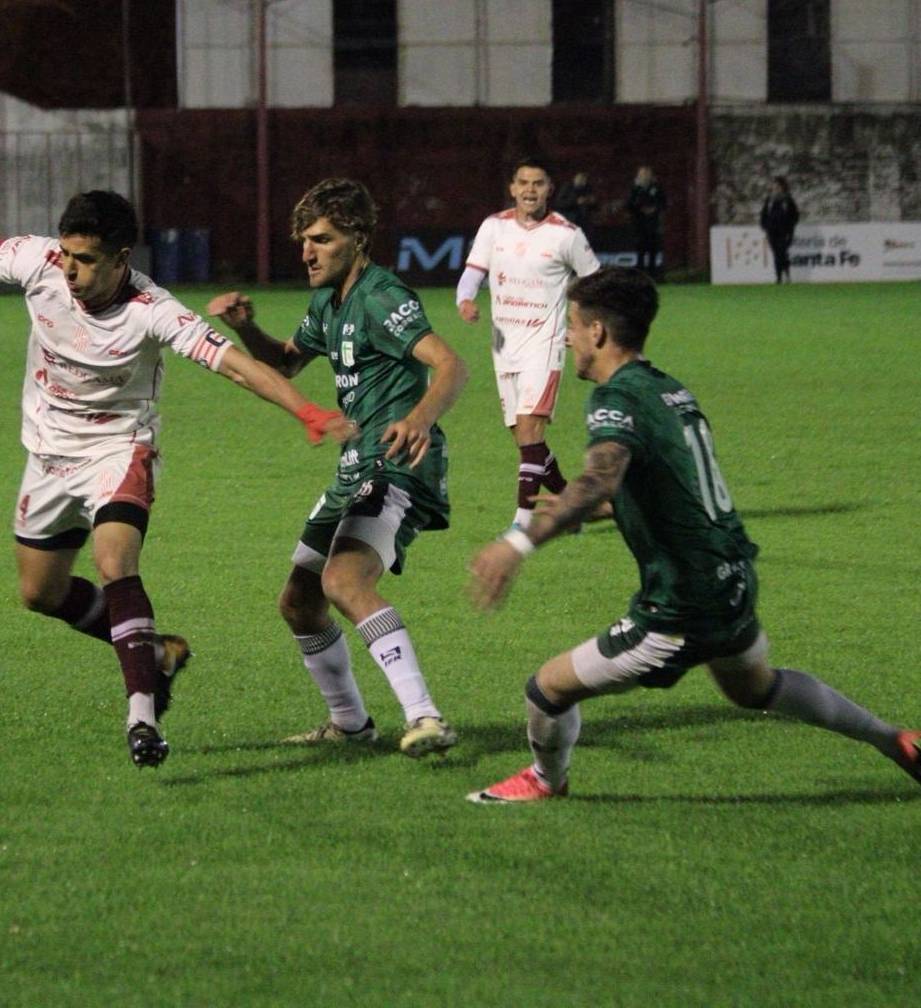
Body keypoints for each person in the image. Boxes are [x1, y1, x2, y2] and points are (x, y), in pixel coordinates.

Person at [0, 190, 353, 769]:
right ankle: (157, 654)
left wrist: (306, 410)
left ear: (122, 259)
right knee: (40, 594)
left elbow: (239, 367)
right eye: (67, 254)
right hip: (46, 457)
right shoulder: (38, 263)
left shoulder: (152, 309)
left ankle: (142, 718)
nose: (69, 269)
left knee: (115, 561)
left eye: (86, 259)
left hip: (117, 452)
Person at [466, 267, 920, 803]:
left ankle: (546, 781)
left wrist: (517, 543)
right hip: (732, 576)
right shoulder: (669, 389)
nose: (566, 337)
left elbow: (596, 477)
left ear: (598, 333)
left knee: (546, 689)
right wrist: (615, 508)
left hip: (681, 605)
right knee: (756, 688)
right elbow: (669, 481)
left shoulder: (616, 398)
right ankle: (897, 741)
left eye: (572, 324)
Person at [207, 178, 469, 757]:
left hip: (400, 463)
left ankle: (425, 715)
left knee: (345, 581)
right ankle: (351, 723)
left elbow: (451, 365)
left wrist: (421, 417)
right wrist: (247, 328)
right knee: (299, 602)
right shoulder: (328, 300)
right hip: (356, 465)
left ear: (358, 238)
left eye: (322, 239)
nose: (307, 252)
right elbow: (289, 364)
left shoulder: (380, 296)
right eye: (304, 240)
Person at [457, 156, 600, 533]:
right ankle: (573, 509)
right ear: (513, 188)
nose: (530, 190)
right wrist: (465, 299)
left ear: (550, 189)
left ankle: (522, 522)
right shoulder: (494, 227)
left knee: (530, 430)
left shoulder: (566, 235)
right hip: (504, 345)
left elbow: (596, 284)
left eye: (538, 184)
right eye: (523, 183)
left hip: (544, 343)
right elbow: (473, 272)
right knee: (525, 439)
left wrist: (581, 328)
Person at [625, 165, 666, 281]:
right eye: (643, 174)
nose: (645, 176)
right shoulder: (634, 188)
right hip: (638, 225)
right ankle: (640, 277)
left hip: (653, 225)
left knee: (653, 250)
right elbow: (628, 204)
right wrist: (640, 209)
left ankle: (654, 276)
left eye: (647, 173)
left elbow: (664, 203)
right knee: (640, 251)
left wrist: (655, 209)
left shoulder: (656, 187)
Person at [759, 177, 800, 284]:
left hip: (784, 231)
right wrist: (765, 226)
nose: (775, 188)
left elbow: (795, 215)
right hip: (772, 231)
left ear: (782, 187)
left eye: (777, 186)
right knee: (776, 253)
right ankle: (780, 277)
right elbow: (764, 214)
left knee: (782, 252)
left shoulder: (787, 199)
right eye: (774, 185)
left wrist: (789, 227)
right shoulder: (769, 200)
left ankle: (784, 275)